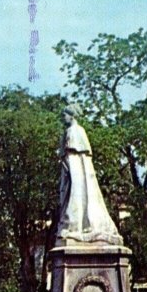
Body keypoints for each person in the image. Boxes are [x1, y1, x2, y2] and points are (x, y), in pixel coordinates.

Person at [57, 105, 122, 246]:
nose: (63, 118)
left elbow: (72, 159)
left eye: (65, 115)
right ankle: (77, 225)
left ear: (72, 115)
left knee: (76, 197)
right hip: (76, 174)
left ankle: (74, 226)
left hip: (75, 175)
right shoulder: (78, 131)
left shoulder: (72, 131)